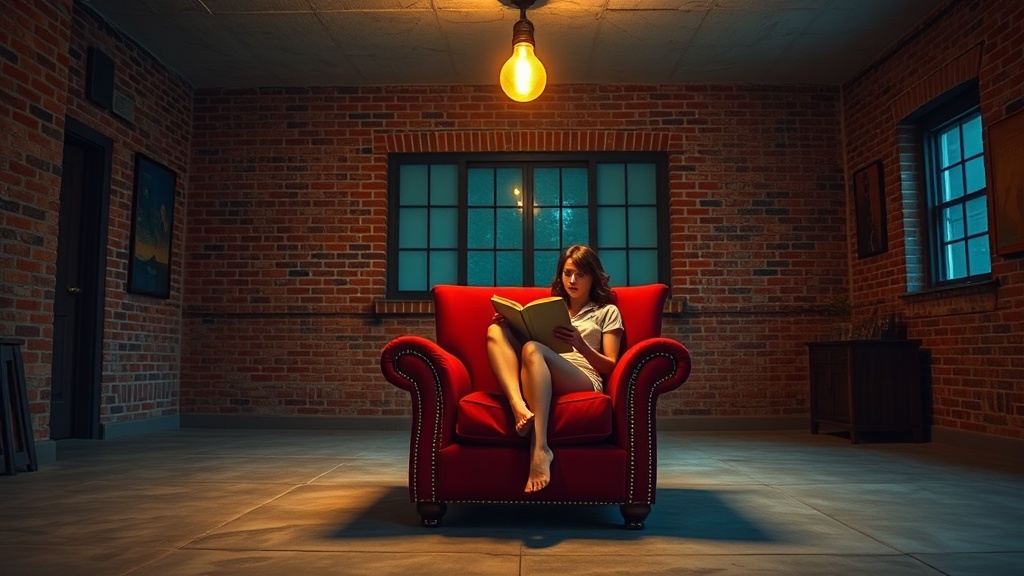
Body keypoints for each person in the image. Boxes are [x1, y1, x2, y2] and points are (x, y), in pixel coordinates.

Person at [486, 245, 624, 493]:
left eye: (580, 274)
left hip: (583, 375)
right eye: (567, 272)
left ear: (593, 277)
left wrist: (580, 344)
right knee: (497, 331)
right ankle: (519, 406)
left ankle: (540, 448)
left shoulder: (606, 311)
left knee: (533, 348)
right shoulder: (551, 308)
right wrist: (509, 325)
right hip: (540, 368)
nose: (572, 280)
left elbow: (610, 365)